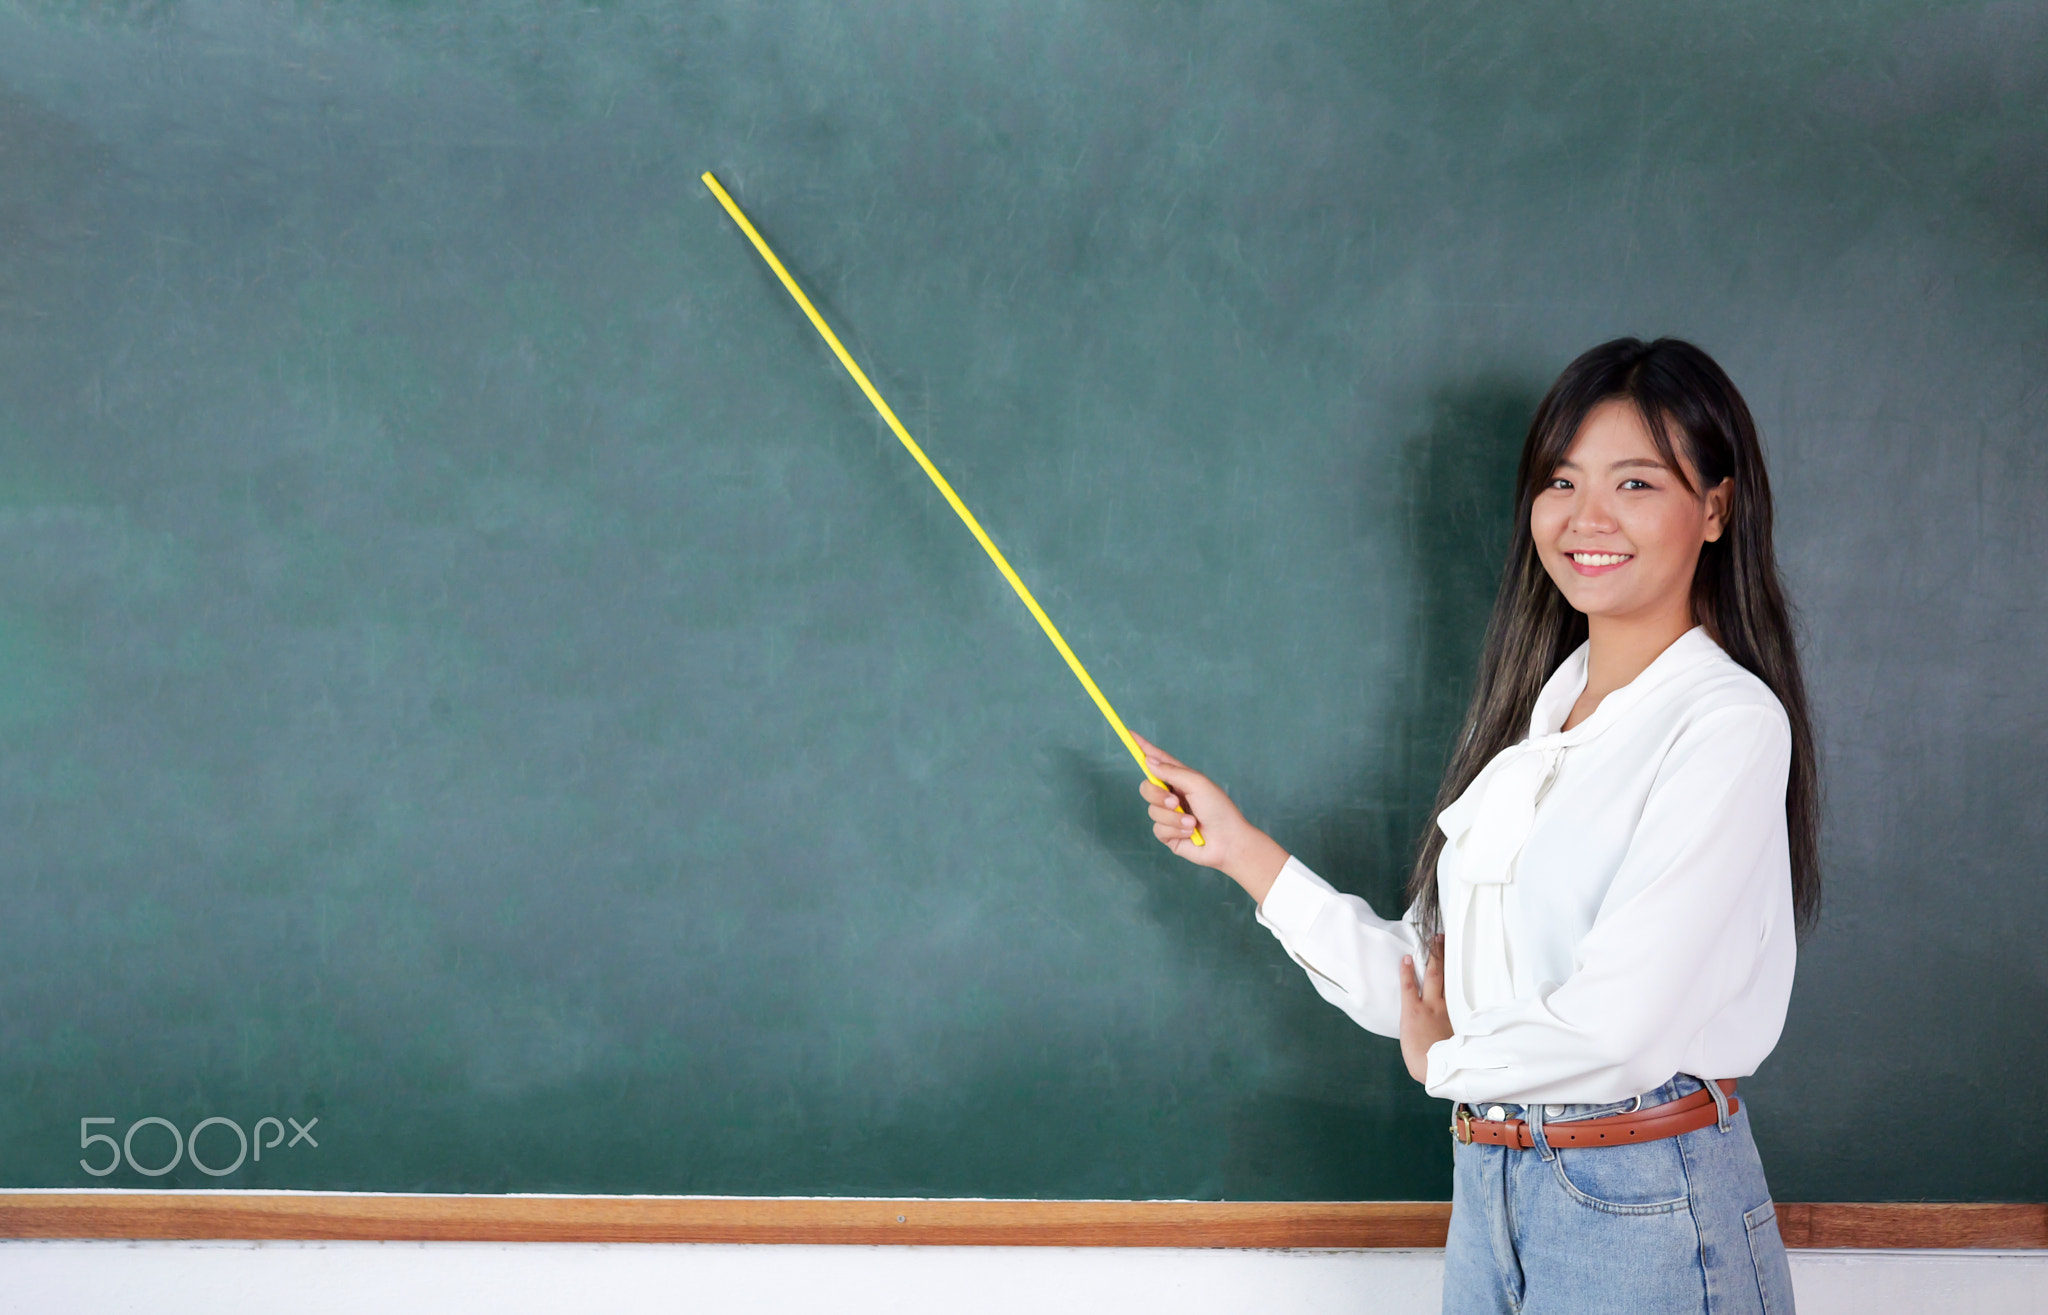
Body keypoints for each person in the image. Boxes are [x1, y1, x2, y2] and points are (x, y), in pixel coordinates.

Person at [1135, 337, 1817, 1314]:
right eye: (1559, 481)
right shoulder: (1529, 726)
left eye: (1632, 483)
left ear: (1712, 506)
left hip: (1643, 1203)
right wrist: (1240, 851)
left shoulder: (1726, 724)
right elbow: (1424, 988)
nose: (1584, 518)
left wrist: (1443, 1065)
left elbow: (1616, 1029)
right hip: (1491, 1191)